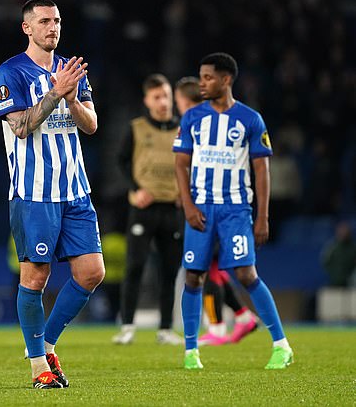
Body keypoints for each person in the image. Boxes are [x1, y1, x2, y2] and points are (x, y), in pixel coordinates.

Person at [0, 0, 105, 389]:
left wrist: (73, 98)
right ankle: (39, 365)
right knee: (36, 277)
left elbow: (91, 126)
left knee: (92, 273)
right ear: (27, 27)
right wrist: (56, 93)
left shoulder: (70, 70)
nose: (52, 27)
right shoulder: (11, 72)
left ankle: (47, 342)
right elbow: (21, 126)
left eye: (56, 20)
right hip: (34, 191)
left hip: (75, 189)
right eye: (44, 21)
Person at [173, 52, 294, 370]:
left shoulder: (250, 119)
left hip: (235, 209)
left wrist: (263, 215)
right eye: (201, 77)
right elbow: (181, 163)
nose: (202, 83)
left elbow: (262, 170)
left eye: (208, 77)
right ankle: (190, 352)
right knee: (194, 277)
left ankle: (281, 345)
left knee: (246, 274)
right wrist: (188, 205)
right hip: (201, 209)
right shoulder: (192, 118)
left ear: (226, 80)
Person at [175, 77, 258, 346]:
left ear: (186, 102)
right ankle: (242, 316)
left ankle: (219, 326)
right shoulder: (202, 122)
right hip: (207, 205)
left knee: (204, 269)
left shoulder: (196, 123)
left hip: (210, 207)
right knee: (213, 269)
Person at [112, 74, 183, 346]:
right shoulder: (137, 128)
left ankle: (165, 329)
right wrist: (134, 188)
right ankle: (127, 326)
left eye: (165, 95)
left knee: (169, 270)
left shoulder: (182, 129)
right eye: (157, 97)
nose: (163, 102)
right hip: (144, 207)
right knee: (135, 266)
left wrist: (185, 196)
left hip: (172, 208)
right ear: (147, 100)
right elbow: (121, 160)